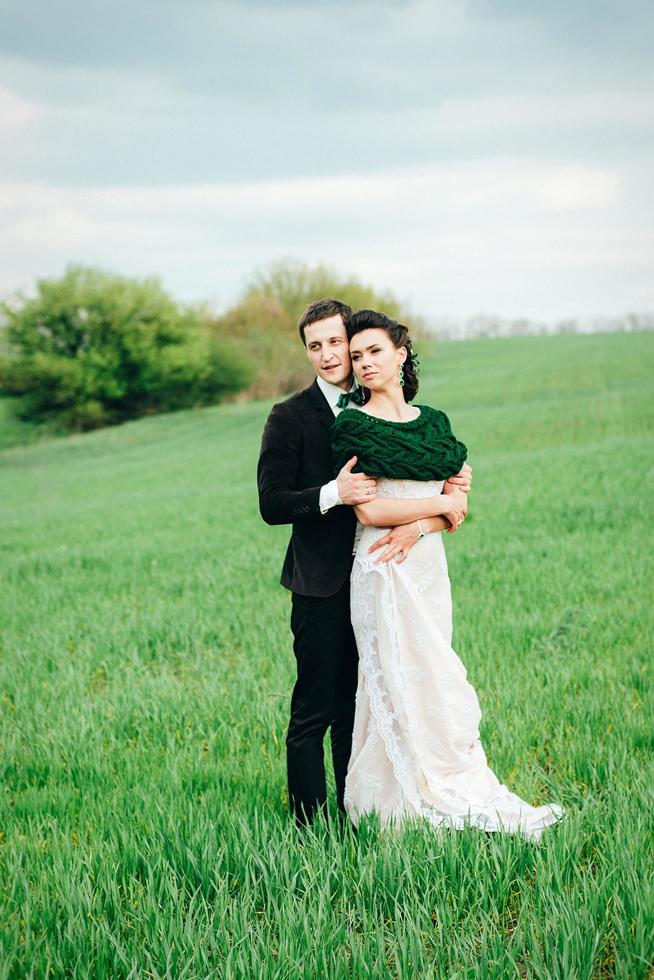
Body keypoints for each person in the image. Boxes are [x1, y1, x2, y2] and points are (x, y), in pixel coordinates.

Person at [331, 309, 564, 841]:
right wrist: (437, 506)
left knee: (435, 668)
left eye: (374, 352)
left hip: (426, 560)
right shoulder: (352, 426)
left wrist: (424, 522)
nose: (364, 363)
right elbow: (368, 512)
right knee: (393, 671)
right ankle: (394, 797)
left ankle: (452, 775)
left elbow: (459, 504)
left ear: (401, 354)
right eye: (357, 355)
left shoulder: (434, 423)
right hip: (383, 562)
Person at [257, 299, 472, 827]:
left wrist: (445, 495)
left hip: (385, 577)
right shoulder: (289, 416)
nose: (329, 355)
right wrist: (333, 492)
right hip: (322, 582)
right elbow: (271, 503)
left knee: (367, 701)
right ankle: (310, 825)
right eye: (316, 346)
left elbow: (435, 468)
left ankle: (358, 812)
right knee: (316, 708)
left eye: (338, 344)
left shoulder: (379, 404)